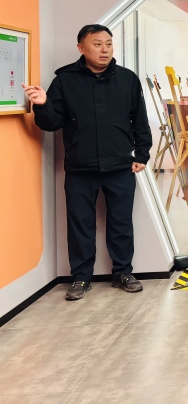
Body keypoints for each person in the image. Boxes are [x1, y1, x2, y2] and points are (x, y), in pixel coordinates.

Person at [24, 24, 152, 300]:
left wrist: (142, 154)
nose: (104, 49)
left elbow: (139, 119)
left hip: (120, 166)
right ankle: (81, 277)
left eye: (108, 43)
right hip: (80, 167)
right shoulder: (64, 80)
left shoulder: (128, 79)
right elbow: (51, 123)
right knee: (80, 224)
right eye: (97, 44)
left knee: (121, 223)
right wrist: (42, 104)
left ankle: (123, 272)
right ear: (81, 48)